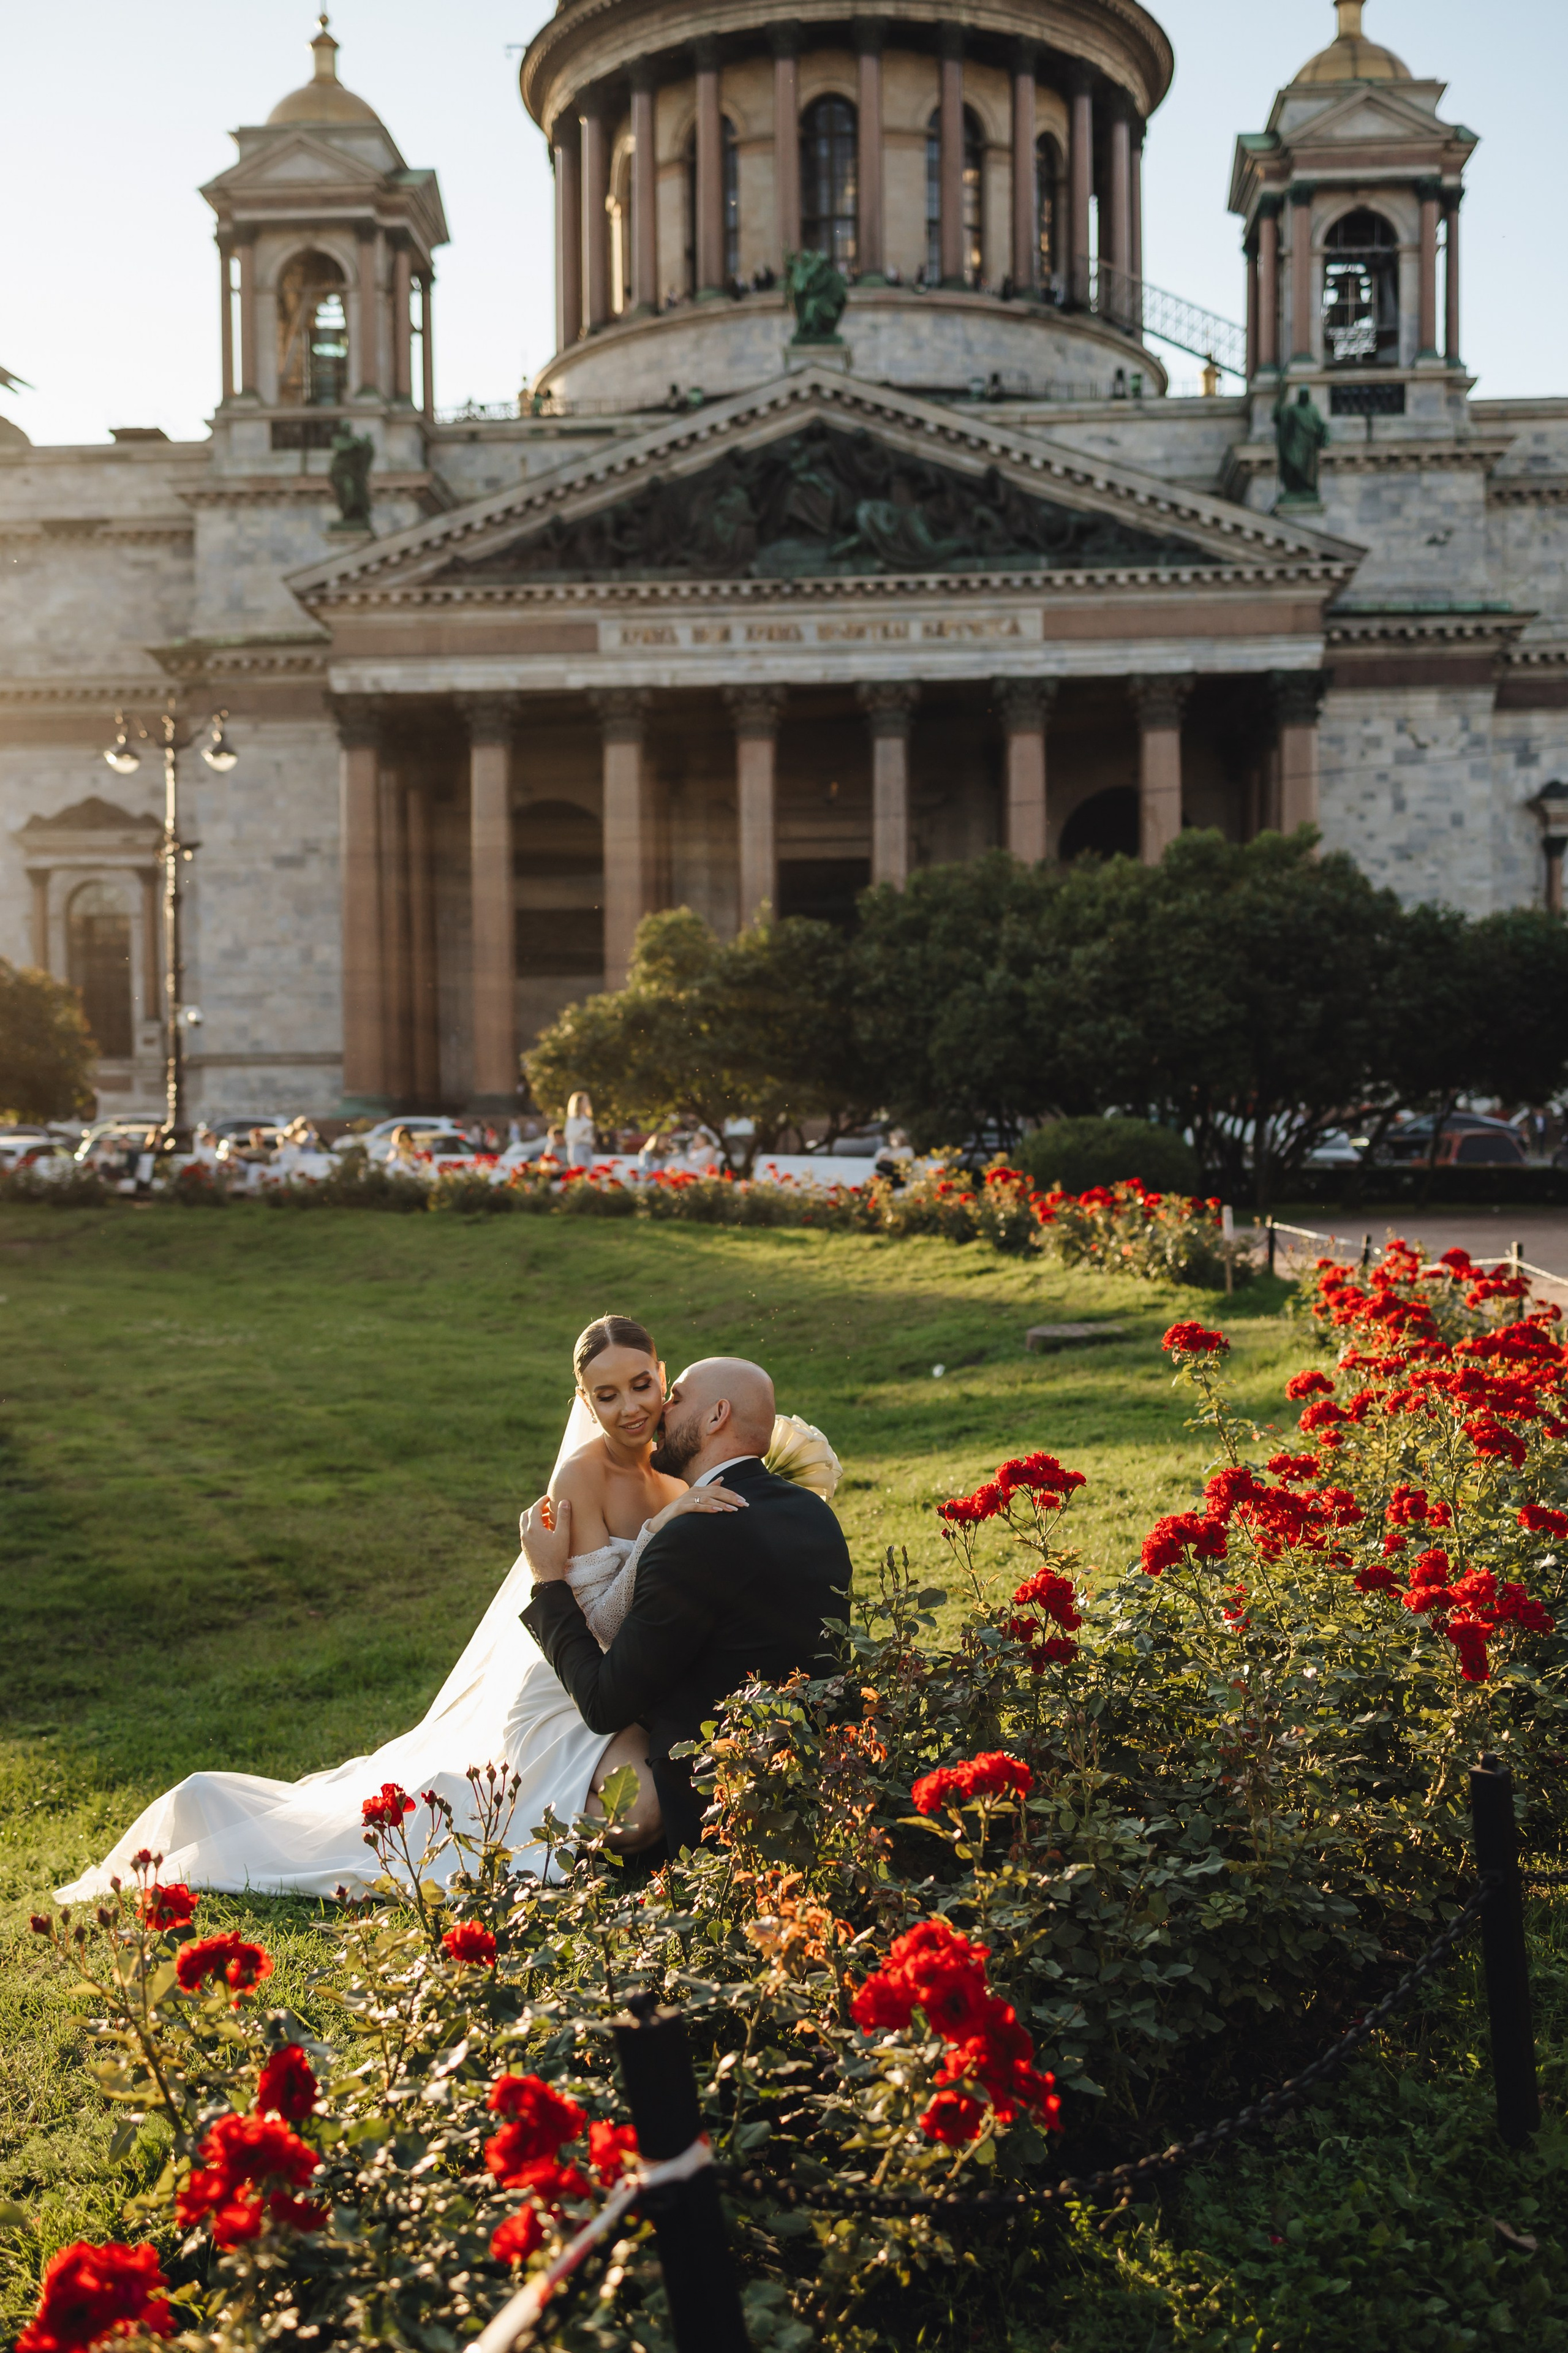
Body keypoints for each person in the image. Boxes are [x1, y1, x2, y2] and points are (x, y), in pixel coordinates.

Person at [53, 1318, 824, 1901]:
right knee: (553, 1815)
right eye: (607, 1394)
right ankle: (503, 1847)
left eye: (643, 1386)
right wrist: (661, 1531)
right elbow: (602, 1621)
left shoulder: (673, 1476)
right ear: (584, 1402)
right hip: (569, 1681)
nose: (630, 1408)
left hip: (624, 1682)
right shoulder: (581, 1482)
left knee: (639, 1792)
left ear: (664, 1379)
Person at [520, 1353, 853, 1856]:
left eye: (673, 1396)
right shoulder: (814, 1512)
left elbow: (605, 1704)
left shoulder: (692, 1537)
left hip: (714, 1802)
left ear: (717, 1416)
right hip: (806, 1773)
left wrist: (548, 1583)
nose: (660, 1411)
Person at [564, 1092, 596, 1168]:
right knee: (580, 1172)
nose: (587, 1103)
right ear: (579, 1103)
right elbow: (569, 1136)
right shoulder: (573, 1119)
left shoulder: (587, 1118)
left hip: (588, 1148)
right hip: (578, 1147)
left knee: (589, 1173)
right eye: (585, 1101)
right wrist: (583, 1130)